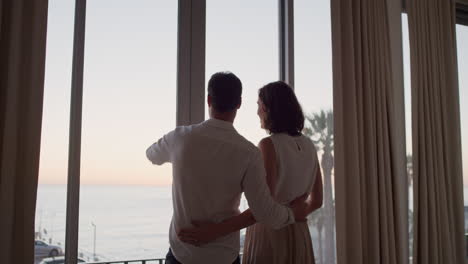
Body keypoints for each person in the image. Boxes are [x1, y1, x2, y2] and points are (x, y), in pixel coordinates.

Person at [146, 73, 311, 264]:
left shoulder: (180, 138)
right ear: (239, 103)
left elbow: (151, 155)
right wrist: (292, 213)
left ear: (209, 99)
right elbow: (263, 211)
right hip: (224, 257)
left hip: (182, 254)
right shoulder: (249, 153)